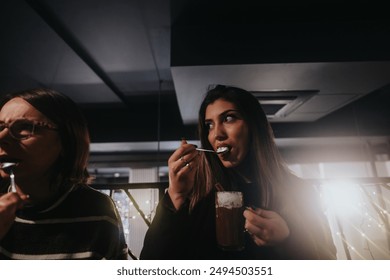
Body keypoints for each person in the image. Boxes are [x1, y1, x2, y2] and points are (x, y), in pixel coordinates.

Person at [141, 84, 337, 259]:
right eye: (209, 125)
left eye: (228, 118)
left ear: (254, 126)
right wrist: (176, 195)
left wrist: (288, 240)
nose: (217, 134)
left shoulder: (298, 191)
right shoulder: (197, 194)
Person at [0, 88, 128, 259]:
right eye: (0, 127)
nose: (2, 137)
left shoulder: (97, 210)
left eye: (23, 127)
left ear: (66, 142)